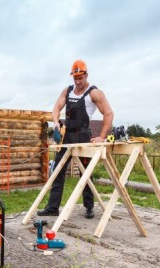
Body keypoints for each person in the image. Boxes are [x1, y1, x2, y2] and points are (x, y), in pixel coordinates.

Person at [38, 59, 114, 218]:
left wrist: (101, 136)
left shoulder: (94, 93)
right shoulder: (67, 91)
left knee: (85, 173)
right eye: (75, 78)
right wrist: (56, 122)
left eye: (80, 78)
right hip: (67, 136)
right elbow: (56, 108)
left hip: (83, 136)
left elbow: (108, 113)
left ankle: (89, 207)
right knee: (57, 170)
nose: (78, 81)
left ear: (86, 75)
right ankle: (52, 208)